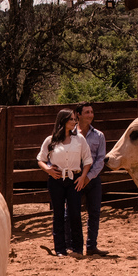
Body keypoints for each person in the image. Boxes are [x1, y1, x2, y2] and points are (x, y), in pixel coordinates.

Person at [36, 109, 91, 257]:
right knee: (58, 214)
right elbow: (40, 159)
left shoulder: (79, 140)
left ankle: (77, 248)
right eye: (71, 119)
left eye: (74, 119)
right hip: (56, 180)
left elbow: (87, 160)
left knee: (75, 213)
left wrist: (83, 177)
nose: (74, 122)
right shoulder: (50, 140)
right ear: (63, 121)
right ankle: (60, 249)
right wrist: (48, 170)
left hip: (74, 179)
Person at [74, 102, 108, 256]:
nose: (90, 115)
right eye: (87, 112)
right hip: (75, 178)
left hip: (93, 178)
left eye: (92, 112)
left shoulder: (99, 135)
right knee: (72, 212)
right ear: (78, 114)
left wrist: (88, 176)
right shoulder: (71, 134)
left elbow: (101, 159)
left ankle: (91, 246)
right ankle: (73, 246)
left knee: (94, 213)